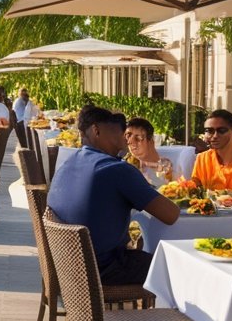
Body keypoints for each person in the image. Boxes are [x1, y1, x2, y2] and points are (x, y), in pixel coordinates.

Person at [47, 106, 181, 286]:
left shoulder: (68, 163)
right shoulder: (116, 169)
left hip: (68, 270)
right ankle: (166, 315)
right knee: (180, 268)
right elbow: (171, 215)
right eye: (120, 129)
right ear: (96, 130)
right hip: (102, 271)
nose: (125, 137)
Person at [123, 117, 174, 185]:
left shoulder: (166, 164)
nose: (130, 141)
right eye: (128, 136)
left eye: (138, 138)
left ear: (150, 140)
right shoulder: (125, 165)